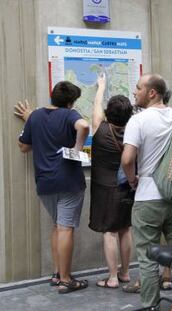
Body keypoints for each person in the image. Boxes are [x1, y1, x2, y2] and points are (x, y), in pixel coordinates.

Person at [121, 73, 172, 307]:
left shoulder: (138, 120)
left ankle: (150, 306)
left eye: (138, 88)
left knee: (147, 258)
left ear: (152, 92)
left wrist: (132, 179)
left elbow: (127, 159)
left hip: (146, 198)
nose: (135, 92)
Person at [14, 81, 89, 294]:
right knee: (65, 228)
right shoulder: (69, 115)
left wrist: (33, 124)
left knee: (57, 226)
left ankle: (57, 274)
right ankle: (66, 279)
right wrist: (77, 147)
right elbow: (83, 126)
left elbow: (23, 146)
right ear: (70, 102)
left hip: (44, 182)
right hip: (68, 180)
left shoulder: (35, 116)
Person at [89, 73, 134, 289]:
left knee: (109, 232)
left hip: (104, 188)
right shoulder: (133, 133)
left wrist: (101, 86)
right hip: (126, 186)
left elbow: (96, 105)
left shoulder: (100, 128)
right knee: (125, 228)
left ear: (109, 113)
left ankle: (113, 277)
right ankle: (125, 273)